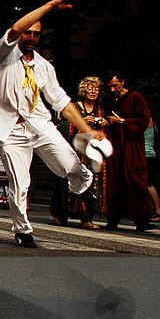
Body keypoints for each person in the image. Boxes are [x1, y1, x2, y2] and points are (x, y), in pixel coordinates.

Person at [0, 0, 103, 247]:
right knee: (20, 184)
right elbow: (16, 27)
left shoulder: (44, 66)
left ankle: (82, 186)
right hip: (11, 131)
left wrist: (88, 132)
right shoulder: (3, 55)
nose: (31, 37)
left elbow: (62, 101)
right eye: (28, 33)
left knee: (70, 163)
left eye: (36, 34)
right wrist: (52, 4)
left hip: (40, 124)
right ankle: (23, 230)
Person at [51, 76, 107, 229]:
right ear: (84, 90)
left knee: (92, 184)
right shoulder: (74, 107)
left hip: (92, 154)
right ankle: (61, 215)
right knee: (66, 183)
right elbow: (61, 125)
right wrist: (80, 122)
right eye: (90, 88)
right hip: (74, 152)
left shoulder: (100, 109)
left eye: (96, 89)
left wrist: (105, 123)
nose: (93, 92)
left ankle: (87, 218)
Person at [102, 72, 152, 231]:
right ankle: (113, 219)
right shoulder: (108, 100)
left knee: (135, 179)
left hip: (132, 144)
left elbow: (143, 120)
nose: (113, 90)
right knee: (114, 180)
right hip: (115, 143)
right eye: (110, 87)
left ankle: (141, 220)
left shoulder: (135, 97)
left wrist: (123, 121)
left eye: (116, 86)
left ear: (122, 82)